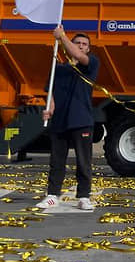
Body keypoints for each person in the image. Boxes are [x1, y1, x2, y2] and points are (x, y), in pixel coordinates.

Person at [36, 26, 99, 211]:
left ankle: (84, 196)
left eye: (84, 44)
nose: (80, 46)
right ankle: (52, 195)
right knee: (56, 161)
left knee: (83, 161)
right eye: (77, 42)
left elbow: (79, 58)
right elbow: (51, 94)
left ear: (88, 49)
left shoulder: (91, 63)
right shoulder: (58, 69)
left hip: (81, 120)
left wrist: (62, 36)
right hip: (60, 121)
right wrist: (49, 109)